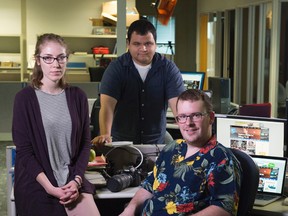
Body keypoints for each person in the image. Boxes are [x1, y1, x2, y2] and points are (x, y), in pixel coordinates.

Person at [12, 33, 100, 216]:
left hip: (71, 179)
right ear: (38, 60)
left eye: (61, 57)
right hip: (38, 182)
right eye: (48, 58)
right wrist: (51, 188)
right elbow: (25, 152)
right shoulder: (24, 99)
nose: (56, 64)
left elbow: (85, 143)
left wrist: (76, 180)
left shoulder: (78, 96)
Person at [120, 89, 242, 216]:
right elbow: (149, 186)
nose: (188, 123)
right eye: (183, 117)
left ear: (210, 118)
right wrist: (130, 209)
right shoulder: (171, 148)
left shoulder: (221, 158)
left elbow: (224, 209)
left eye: (196, 115)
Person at [91, 19, 184, 145]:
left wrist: (189, 136)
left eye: (148, 43)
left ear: (155, 44)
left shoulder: (168, 69)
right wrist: (105, 135)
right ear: (128, 44)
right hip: (121, 144)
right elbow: (107, 106)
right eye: (137, 44)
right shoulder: (116, 68)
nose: (143, 49)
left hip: (156, 144)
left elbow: (179, 107)